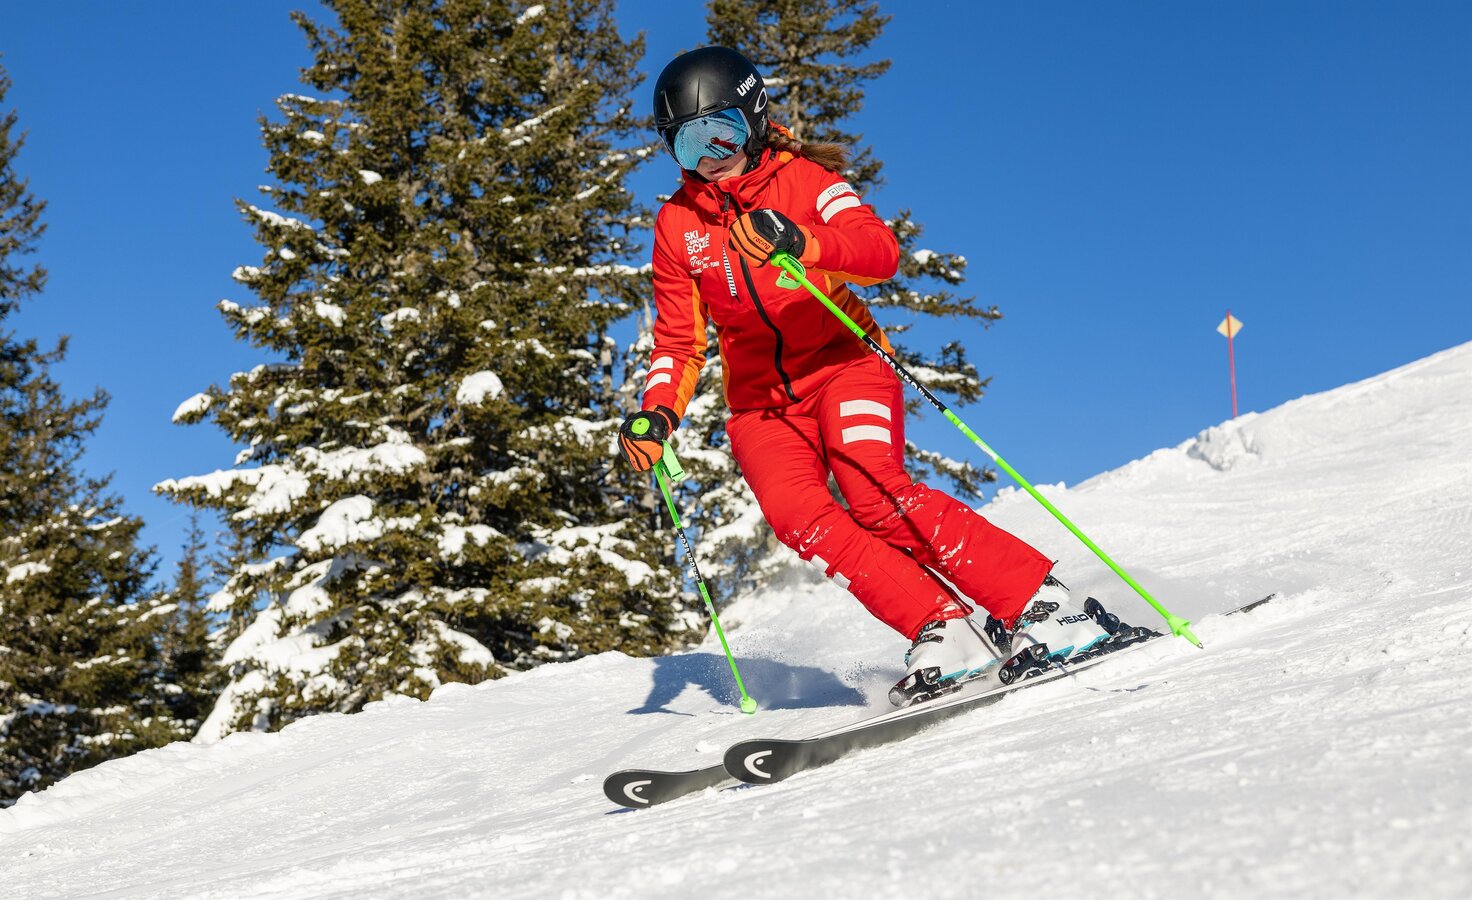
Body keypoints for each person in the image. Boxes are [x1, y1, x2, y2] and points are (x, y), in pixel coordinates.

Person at [618, 46, 1126, 707]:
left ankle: (1045, 604)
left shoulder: (807, 183)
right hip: (762, 406)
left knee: (874, 490)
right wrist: (658, 412)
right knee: (799, 518)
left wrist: (803, 242)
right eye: (688, 142)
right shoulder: (678, 225)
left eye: (723, 132)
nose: (710, 155)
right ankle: (944, 628)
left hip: (846, 366)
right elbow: (678, 341)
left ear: (755, 119)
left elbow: (879, 252)